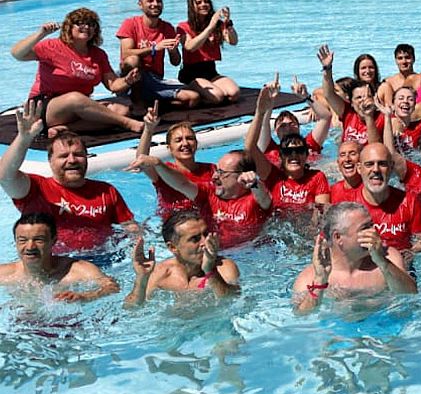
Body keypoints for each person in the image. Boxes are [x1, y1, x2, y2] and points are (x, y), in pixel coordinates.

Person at [1, 102, 137, 253]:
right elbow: (5, 177)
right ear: (50, 161)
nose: (72, 160)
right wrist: (24, 138)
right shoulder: (36, 189)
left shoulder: (106, 191)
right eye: (64, 156)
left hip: (104, 260)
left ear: (86, 158)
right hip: (53, 265)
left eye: (78, 154)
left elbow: (130, 228)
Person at [12, 10, 143, 134]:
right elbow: (17, 54)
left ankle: (65, 128)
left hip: (78, 106)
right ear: (69, 27)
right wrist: (41, 33)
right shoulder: (52, 46)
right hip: (44, 106)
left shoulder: (98, 54)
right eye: (80, 23)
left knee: (121, 111)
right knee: (75, 98)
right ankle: (127, 123)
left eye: (91, 24)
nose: (86, 26)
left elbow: (113, 84)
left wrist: (127, 80)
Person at [133, 146, 271, 250]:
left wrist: (254, 183)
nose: (214, 176)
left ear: (242, 175)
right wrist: (158, 163)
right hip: (212, 254)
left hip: (252, 253)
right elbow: (182, 183)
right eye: (216, 170)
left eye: (222, 173)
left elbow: (263, 198)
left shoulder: (255, 198)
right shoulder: (208, 193)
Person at [291, 202, 419, 314]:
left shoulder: (389, 257)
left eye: (372, 225)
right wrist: (320, 281)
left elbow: (411, 294)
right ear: (338, 238)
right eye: (365, 228)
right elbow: (302, 316)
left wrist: (382, 262)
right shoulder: (310, 277)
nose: (374, 231)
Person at [124, 209, 241, 308]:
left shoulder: (224, 267)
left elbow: (231, 300)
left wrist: (210, 270)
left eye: (205, 234)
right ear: (173, 247)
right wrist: (142, 278)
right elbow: (131, 309)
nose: (205, 242)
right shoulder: (161, 273)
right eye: (195, 239)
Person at [0, 213, 118, 302]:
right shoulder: (4, 274)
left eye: (39, 240)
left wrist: (86, 296)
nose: (30, 246)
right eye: (22, 240)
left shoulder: (79, 270)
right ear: (15, 241)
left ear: (54, 241)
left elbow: (112, 287)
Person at [116, 0, 200, 112]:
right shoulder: (130, 23)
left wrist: (173, 51)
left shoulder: (167, 28)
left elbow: (176, 62)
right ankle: (137, 100)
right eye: (150, 1)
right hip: (130, 78)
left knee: (193, 98)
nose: (155, 4)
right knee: (133, 60)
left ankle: (153, 103)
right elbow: (126, 53)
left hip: (154, 80)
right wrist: (154, 48)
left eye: (158, 1)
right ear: (140, 4)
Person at [175, 0, 240, 105]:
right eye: (199, 2)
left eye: (206, 2)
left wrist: (228, 24)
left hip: (211, 71)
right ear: (192, 6)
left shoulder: (217, 25)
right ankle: (193, 91)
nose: (203, 5)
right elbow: (190, 47)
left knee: (233, 94)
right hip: (191, 74)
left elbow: (233, 41)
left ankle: (208, 91)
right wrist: (210, 27)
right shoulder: (183, 27)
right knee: (218, 96)